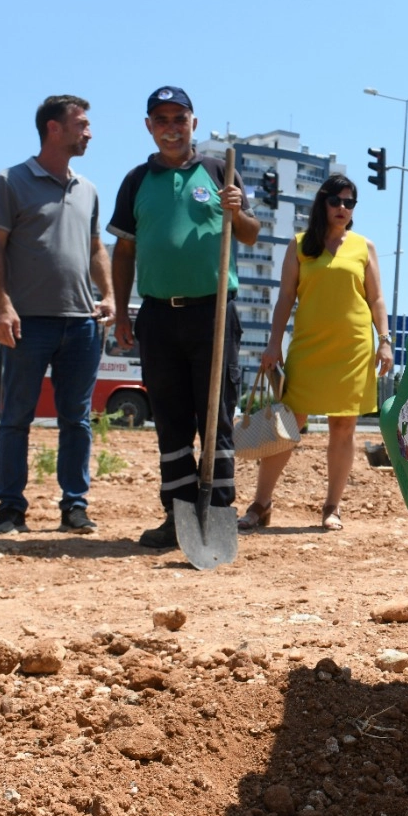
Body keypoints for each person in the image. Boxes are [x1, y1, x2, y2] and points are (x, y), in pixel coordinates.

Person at [108, 87, 259, 550]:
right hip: (158, 314)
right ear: (149, 126)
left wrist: (237, 209)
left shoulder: (218, 172)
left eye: (180, 118)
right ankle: (177, 518)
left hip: (213, 315)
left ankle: (216, 517)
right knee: (171, 420)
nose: (171, 127)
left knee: (216, 418)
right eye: (161, 119)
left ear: (194, 122)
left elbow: (250, 236)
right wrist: (120, 311)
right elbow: (125, 250)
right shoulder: (137, 180)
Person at [0, 95, 113, 535]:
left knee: (76, 421)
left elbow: (96, 249)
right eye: (82, 123)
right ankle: (10, 510)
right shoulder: (9, 181)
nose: (89, 132)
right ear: (53, 128)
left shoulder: (89, 189)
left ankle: (74, 507)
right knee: (15, 418)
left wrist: (109, 295)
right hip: (27, 323)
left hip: (81, 324)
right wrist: (2, 305)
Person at [239, 175, 394, 532]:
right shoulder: (298, 246)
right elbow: (284, 300)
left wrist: (384, 339)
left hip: (353, 347)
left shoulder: (364, 246)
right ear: (322, 203)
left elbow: (376, 299)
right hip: (308, 347)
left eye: (350, 203)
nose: (343, 208)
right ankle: (260, 504)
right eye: (337, 201)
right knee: (288, 424)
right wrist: (273, 343)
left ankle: (331, 507)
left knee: (344, 427)